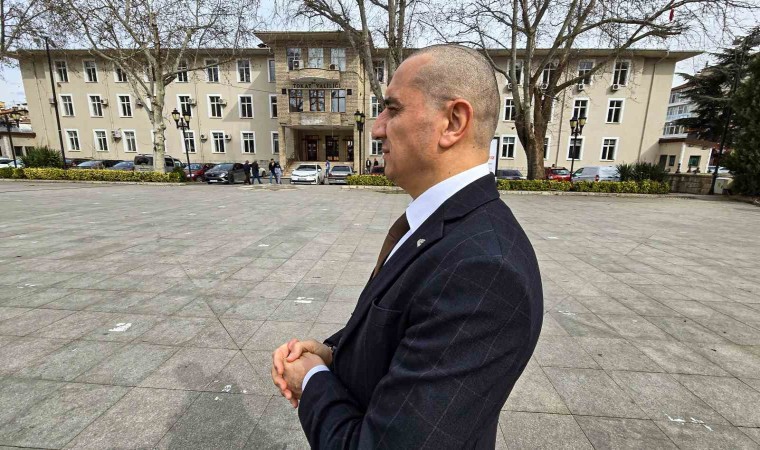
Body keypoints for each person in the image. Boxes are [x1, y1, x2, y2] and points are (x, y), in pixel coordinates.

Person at [271, 44, 543, 449]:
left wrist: (311, 380)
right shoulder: (441, 226)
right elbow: (403, 327)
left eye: (393, 109)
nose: (377, 128)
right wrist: (334, 353)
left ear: (453, 122)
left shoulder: (484, 268)